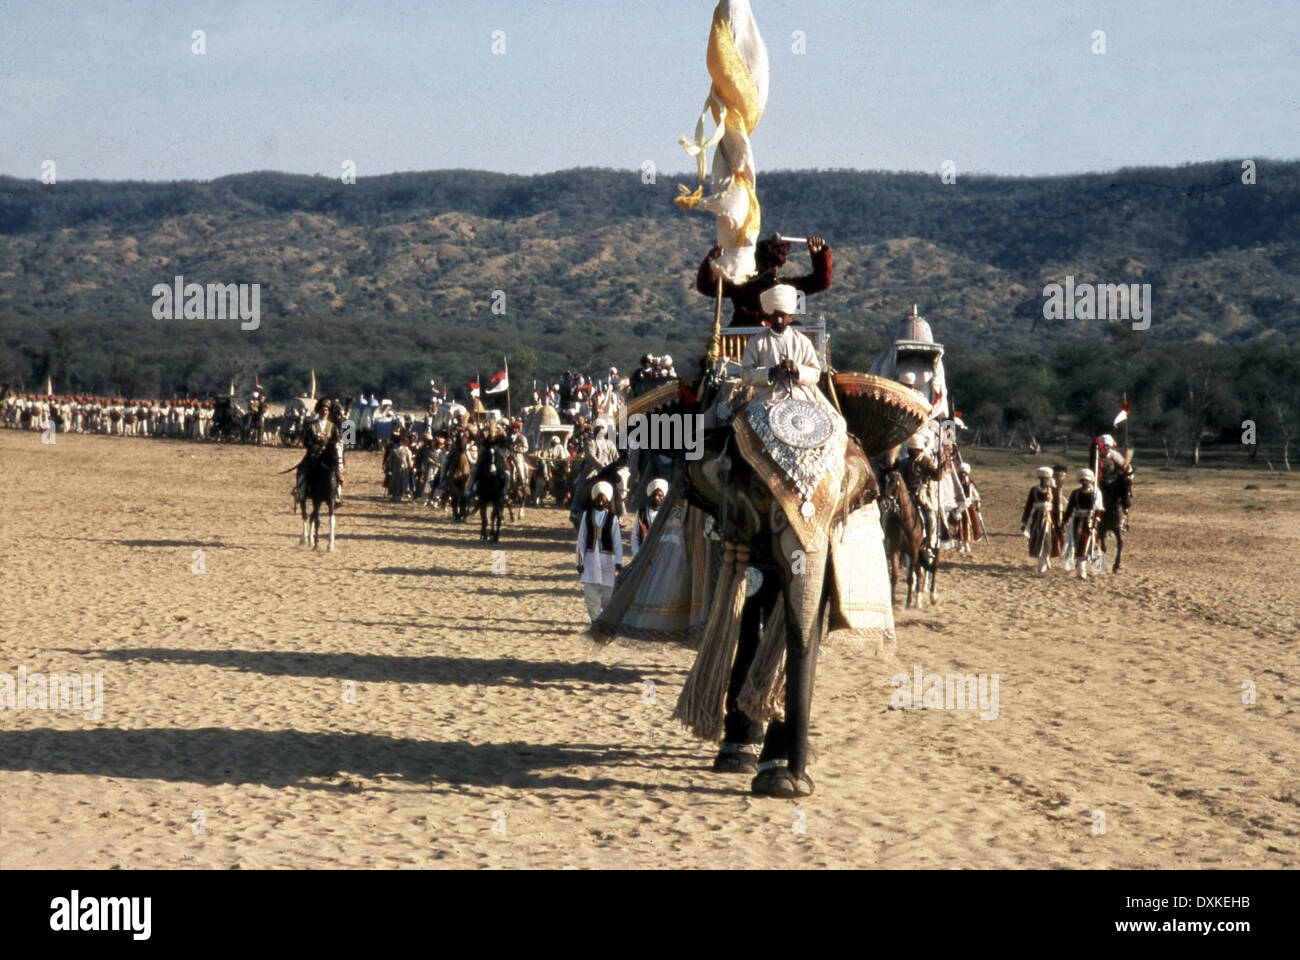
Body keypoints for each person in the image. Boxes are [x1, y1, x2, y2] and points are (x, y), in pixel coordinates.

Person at [697, 234, 832, 327]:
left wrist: (819, 254)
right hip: (742, 343)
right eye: (766, 265)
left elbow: (821, 281)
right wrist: (710, 261)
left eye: (775, 266)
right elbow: (706, 286)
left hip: (782, 344)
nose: (771, 270)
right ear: (757, 265)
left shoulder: (788, 288)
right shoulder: (742, 285)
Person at [739, 284, 834, 412]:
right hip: (767, 398)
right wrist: (772, 372)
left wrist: (797, 370)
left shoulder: (802, 341)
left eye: (782, 316)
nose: (778, 320)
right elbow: (746, 374)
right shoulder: (756, 342)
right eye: (775, 315)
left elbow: (815, 373)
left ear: (791, 317)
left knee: (837, 424)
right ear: (769, 316)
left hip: (801, 397)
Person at [576, 481, 623, 622]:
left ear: (607, 500)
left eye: (603, 500)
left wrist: (619, 561)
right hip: (590, 560)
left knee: (608, 595)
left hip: (607, 561)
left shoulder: (612, 518)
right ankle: (595, 622)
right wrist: (580, 561)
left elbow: (617, 542)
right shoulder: (586, 515)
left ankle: (606, 621)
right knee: (590, 593)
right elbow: (581, 540)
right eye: (598, 499)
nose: (600, 502)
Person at [1062, 467, 1106, 580]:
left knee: (1092, 543)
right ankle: (1081, 570)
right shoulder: (1075, 493)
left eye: (1086, 480)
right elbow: (1069, 509)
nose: (1084, 483)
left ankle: (1097, 567)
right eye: (1082, 481)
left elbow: (1099, 509)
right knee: (1079, 544)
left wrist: (1096, 520)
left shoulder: (1096, 493)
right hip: (1077, 522)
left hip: (1091, 522)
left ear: (1090, 480)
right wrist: (1064, 522)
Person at [1021, 466, 1056, 573]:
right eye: (1043, 479)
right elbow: (1028, 506)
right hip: (1037, 518)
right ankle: (1042, 562)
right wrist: (1024, 521)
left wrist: (1059, 520)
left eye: (1047, 479)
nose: (1045, 481)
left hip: (1050, 518)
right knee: (1039, 538)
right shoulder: (1034, 490)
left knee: (1048, 538)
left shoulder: (1053, 490)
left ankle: (1046, 558)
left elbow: (1057, 506)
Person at [631, 478, 668, 557]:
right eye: (654, 495)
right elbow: (635, 536)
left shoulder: (667, 514)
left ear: (664, 497)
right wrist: (637, 554)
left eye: (660, 495)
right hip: (643, 556)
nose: (656, 497)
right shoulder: (641, 513)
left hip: (661, 556)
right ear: (650, 496)